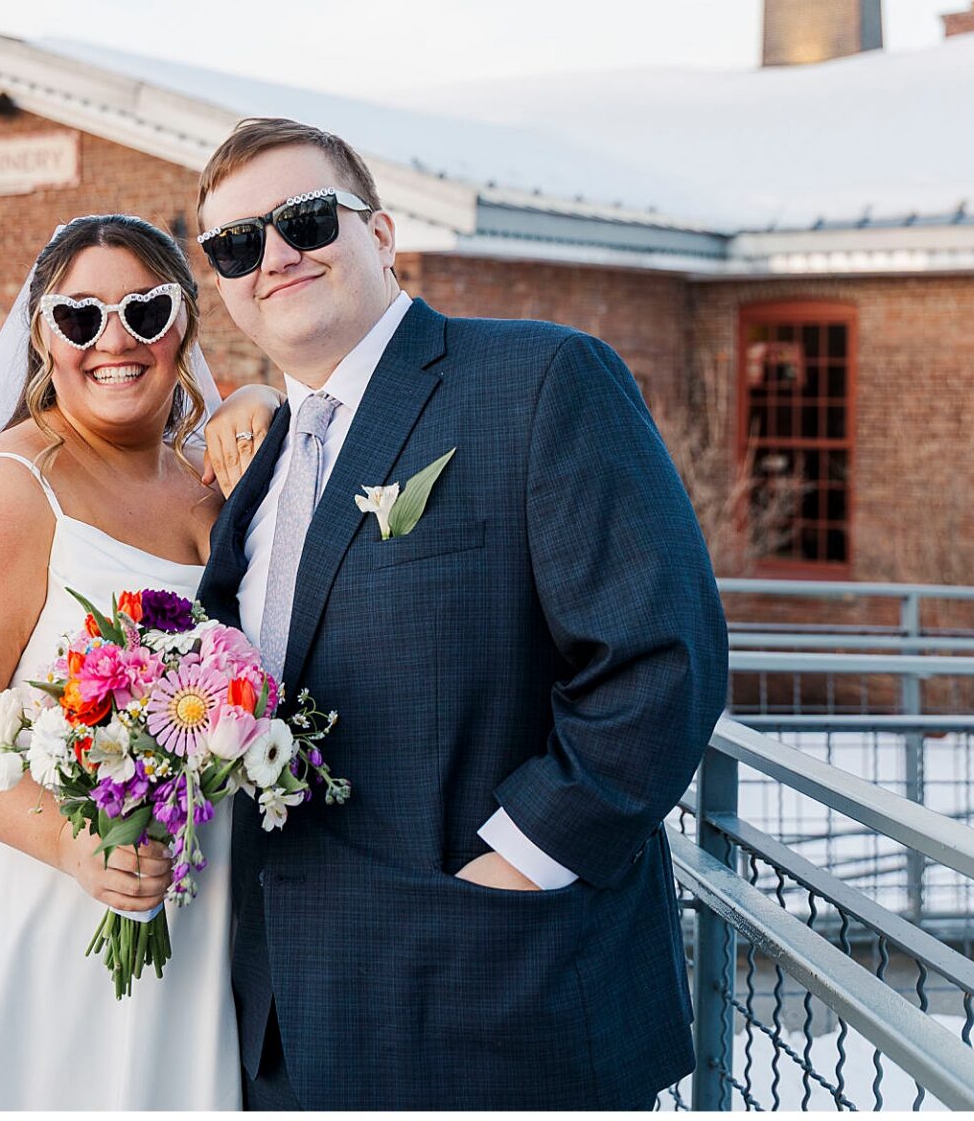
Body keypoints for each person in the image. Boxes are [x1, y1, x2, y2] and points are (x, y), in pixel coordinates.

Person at [194, 116, 731, 1112]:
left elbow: (661, 661)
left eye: (305, 219)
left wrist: (518, 868)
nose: (273, 255)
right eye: (236, 243)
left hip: (497, 1001)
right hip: (288, 1031)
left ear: (383, 234)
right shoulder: (260, 470)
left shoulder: (539, 380)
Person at [0, 214, 282, 1110]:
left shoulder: (213, 473)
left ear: (182, 327)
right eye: (79, 316)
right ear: (41, 338)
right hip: (56, 900)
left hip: (201, 903)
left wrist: (263, 400)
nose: (114, 341)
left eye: (144, 311)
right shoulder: (8, 490)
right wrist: (70, 842)